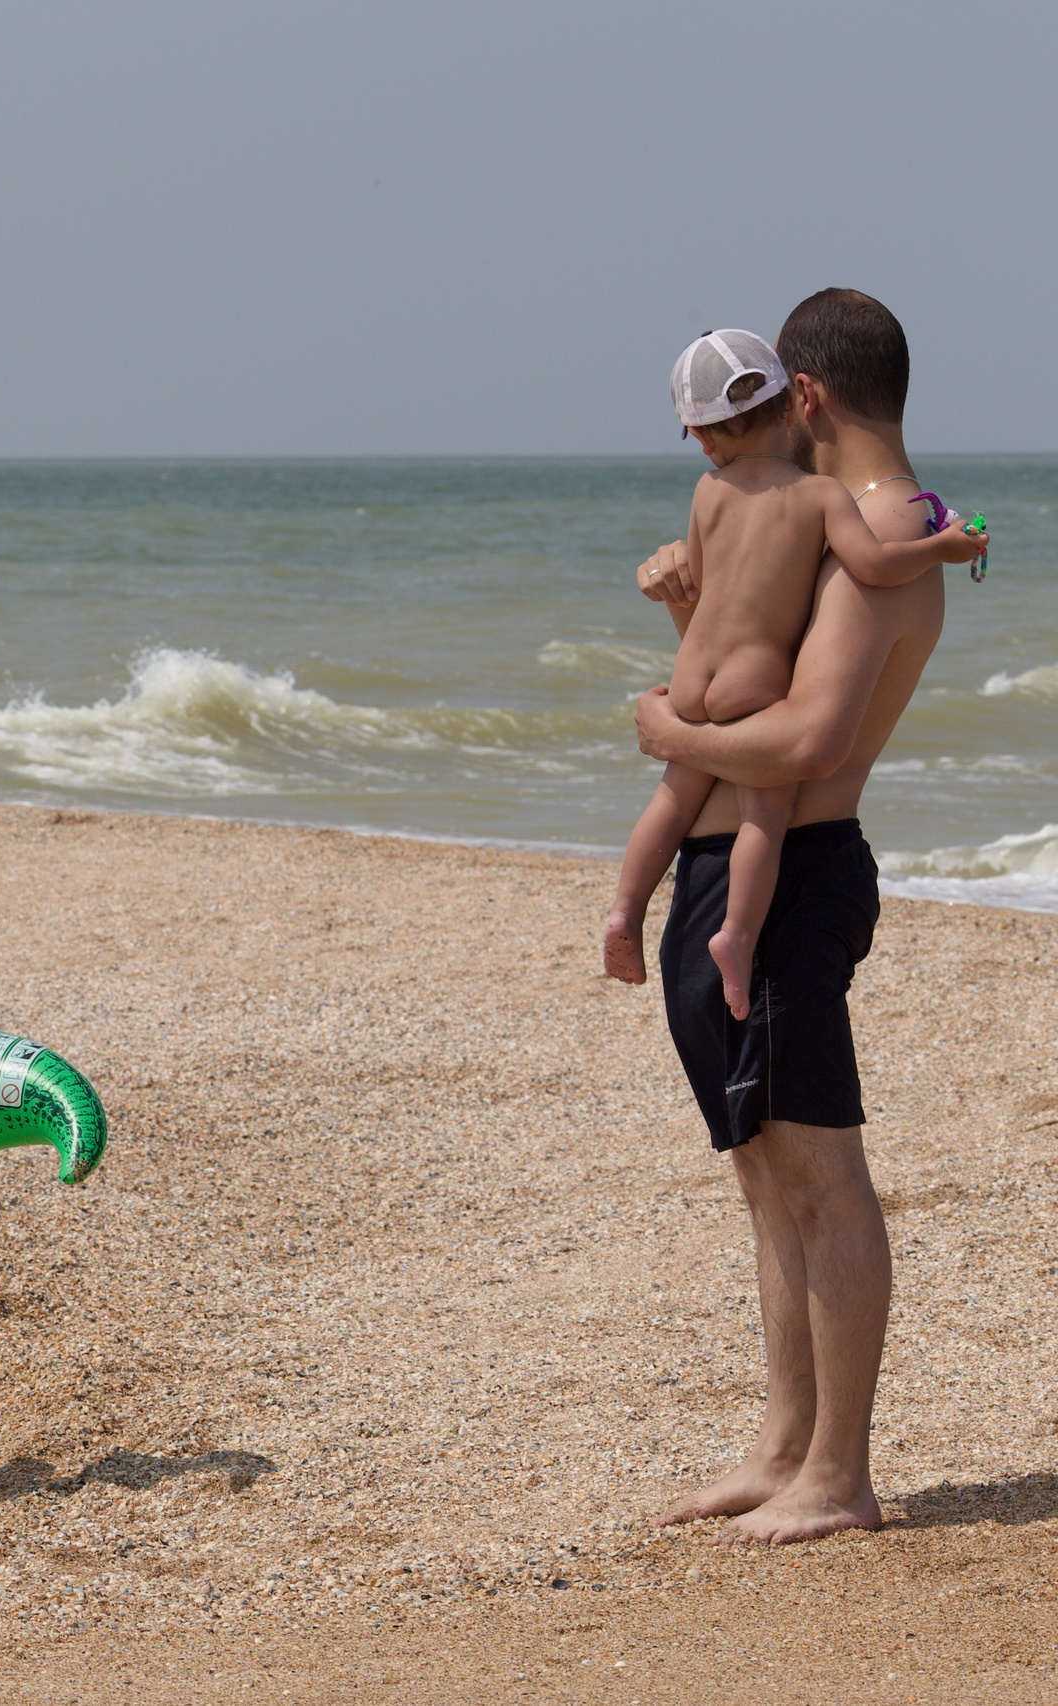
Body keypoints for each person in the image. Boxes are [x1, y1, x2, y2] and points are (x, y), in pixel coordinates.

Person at [625, 288, 950, 1546]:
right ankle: (784, 1446)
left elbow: (810, 734)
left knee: (818, 1169)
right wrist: (684, 604)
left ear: (804, 397)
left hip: (797, 867)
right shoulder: (852, 528)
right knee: (767, 1173)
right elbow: (753, 655)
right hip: (748, 864)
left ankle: (839, 1472)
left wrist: (663, 723)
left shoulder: (877, 529)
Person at [603, 329, 984, 1018]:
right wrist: (941, 548)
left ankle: (625, 910)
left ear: (700, 434)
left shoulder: (706, 491)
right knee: (765, 814)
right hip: (750, 685)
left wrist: (676, 722)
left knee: (669, 800)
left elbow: (707, 591)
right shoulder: (817, 498)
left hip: (694, 679)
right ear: (791, 405)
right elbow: (872, 566)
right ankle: (738, 939)